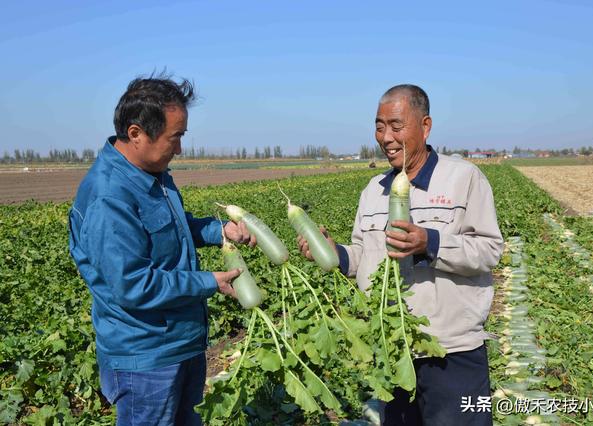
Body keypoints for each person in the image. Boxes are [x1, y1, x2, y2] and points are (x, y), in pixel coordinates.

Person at [298, 84, 503, 425]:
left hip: (451, 351)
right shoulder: (373, 190)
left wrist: (430, 243)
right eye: (379, 126)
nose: (386, 137)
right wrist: (335, 253)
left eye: (396, 126)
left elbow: (488, 251)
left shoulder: (463, 178)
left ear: (425, 126)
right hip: (392, 348)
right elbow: (365, 255)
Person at [68, 75, 255, 425]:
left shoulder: (152, 173)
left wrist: (219, 230)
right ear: (137, 133)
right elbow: (133, 285)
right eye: (175, 138)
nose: (180, 149)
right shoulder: (109, 198)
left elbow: (177, 228)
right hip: (146, 358)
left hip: (180, 343)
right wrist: (210, 281)